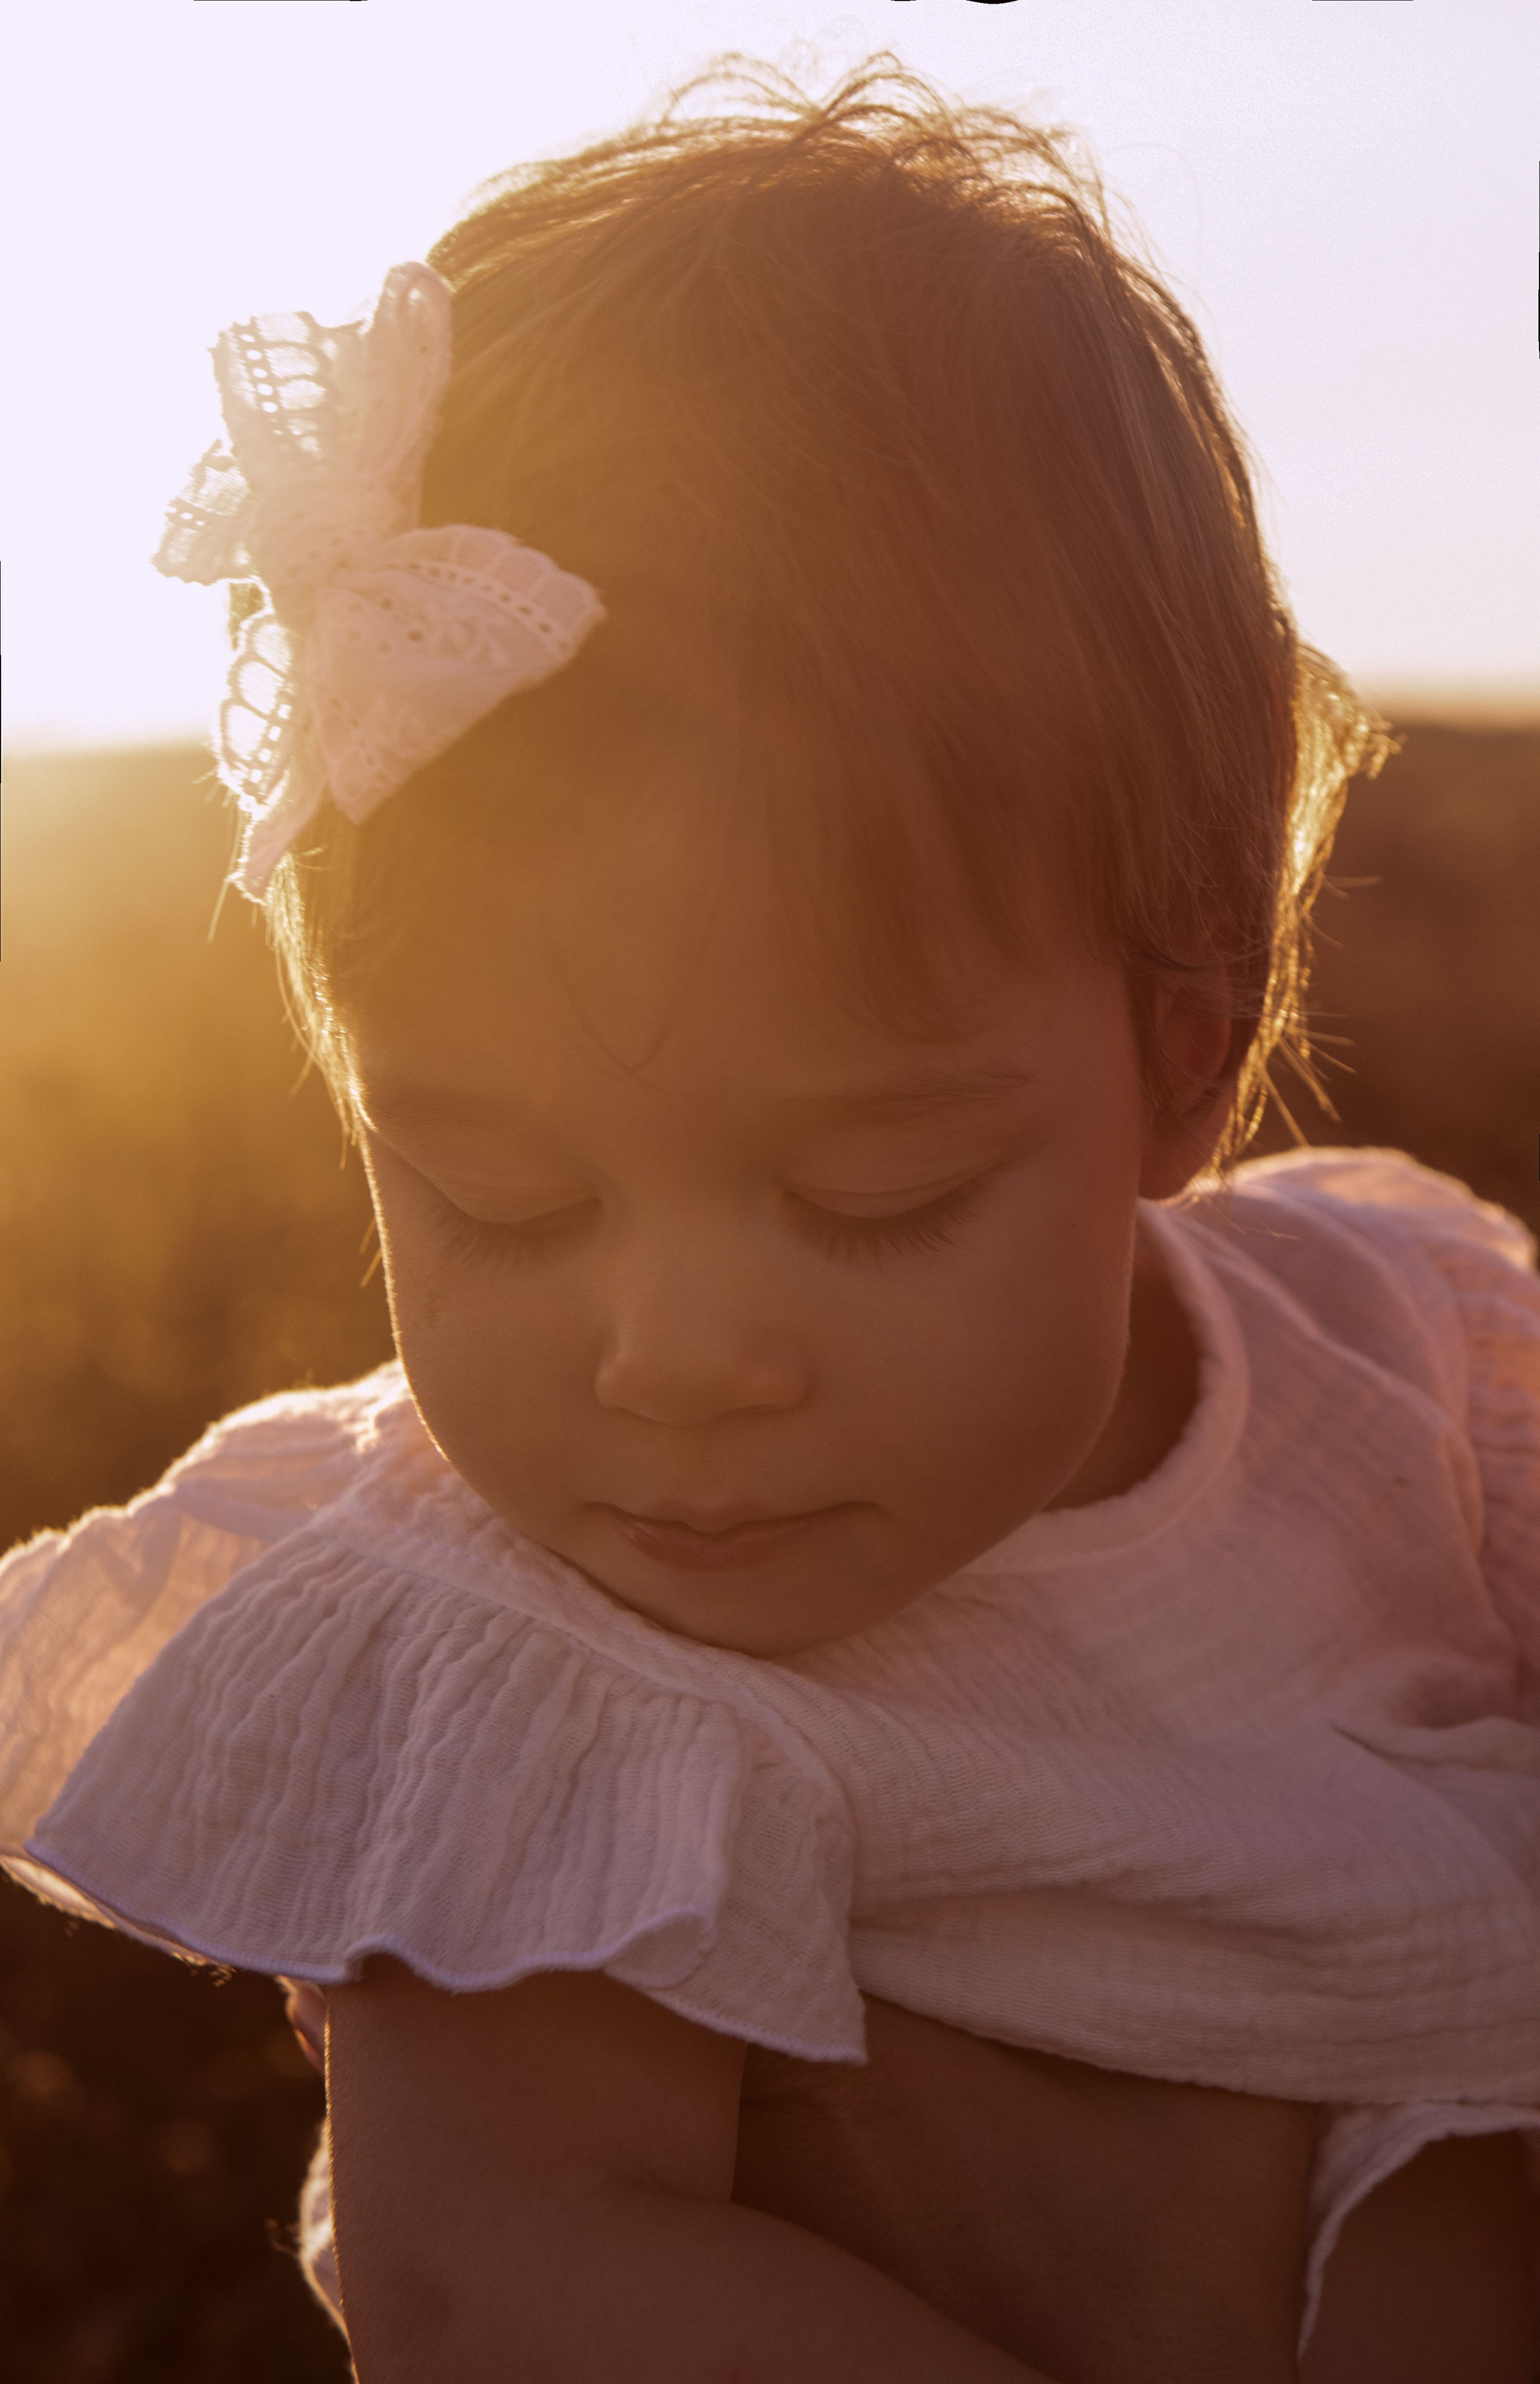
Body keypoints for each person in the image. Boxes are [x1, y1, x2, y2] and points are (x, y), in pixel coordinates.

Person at [1, 52, 1536, 2384]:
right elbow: (500, 2266)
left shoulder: (1389, 1357)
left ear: (1179, 1040)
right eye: (497, 1192)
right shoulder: (537, 1644)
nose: (674, 1349)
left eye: (870, 1191)